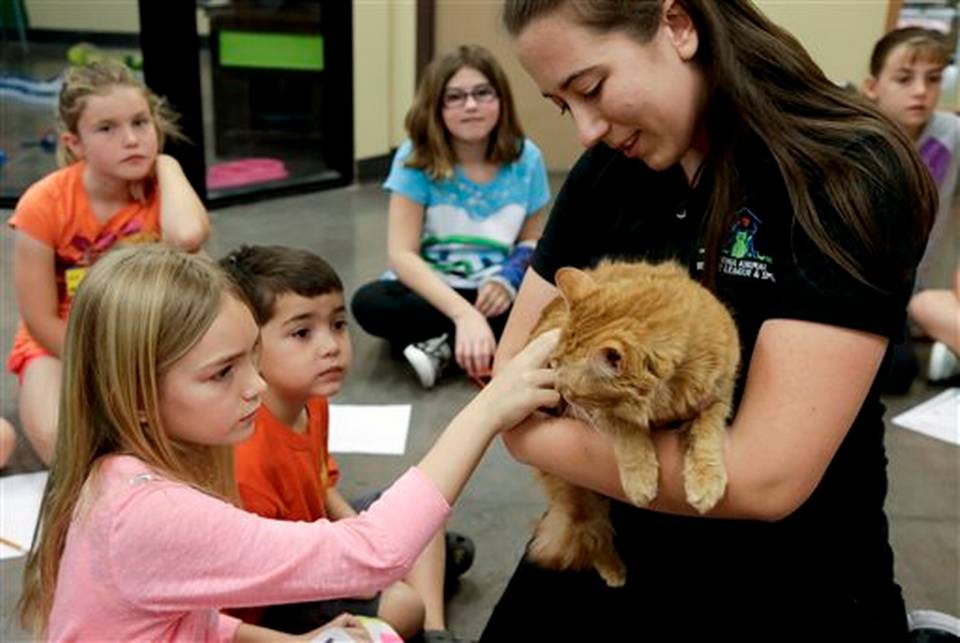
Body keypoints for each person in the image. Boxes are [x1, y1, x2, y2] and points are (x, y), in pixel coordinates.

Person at [481, 1, 937, 639]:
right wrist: (517, 421)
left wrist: (531, 431)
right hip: (615, 538)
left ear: (678, 24)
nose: (586, 129)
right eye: (564, 105)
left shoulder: (845, 172)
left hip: (790, 575)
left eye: (592, 88)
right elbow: (510, 380)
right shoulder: (608, 171)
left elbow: (763, 479)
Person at [16, 244, 559, 641]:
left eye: (252, 357)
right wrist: (488, 408)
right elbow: (374, 553)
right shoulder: (148, 513)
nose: (256, 385)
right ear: (136, 395)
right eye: (222, 372)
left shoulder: (122, 475)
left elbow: (192, 619)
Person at [221, 244, 475, 643]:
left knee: (422, 502)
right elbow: (259, 578)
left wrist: (363, 541)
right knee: (402, 605)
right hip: (275, 594)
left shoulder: (312, 400)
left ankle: (435, 631)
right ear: (249, 348)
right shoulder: (246, 457)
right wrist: (360, 568)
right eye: (302, 333)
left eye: (338, 325)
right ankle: (421, 584)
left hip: (314, 539)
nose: (331, 346)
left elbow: (322, 487)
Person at [6, 59, 209, 465]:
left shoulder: (165, 188)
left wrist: (167, 164)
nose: (131, 140)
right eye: (107, 129)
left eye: (141, 123)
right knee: (63, 447)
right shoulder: (43, 204)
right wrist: (106, 365)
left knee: (194, 438)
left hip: (148, 333)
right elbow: (39, 319)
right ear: (74, 143)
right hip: (64, 339)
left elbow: (188, 237)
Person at [351, 44, 551, 389]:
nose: (471, 105)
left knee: (556, 304)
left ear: (501, 99)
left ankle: (439, 347)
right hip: (432, 287)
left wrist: (507, 279)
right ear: (436, 106)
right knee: (370, 304)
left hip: (494, 288)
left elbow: (532, 240)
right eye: (455, 97)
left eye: (482, 93)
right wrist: (464, 314)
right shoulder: (415, 157)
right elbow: (402, 255)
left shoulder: (527, 158)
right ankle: (479, 341)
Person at [864, 27, 960, 385]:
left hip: (915, 291)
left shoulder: (951, 133)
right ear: (872, 87)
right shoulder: (857, 138)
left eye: (933, 79)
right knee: (896, 372)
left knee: (924, 307)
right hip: (863, 292)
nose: (921, 91)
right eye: (904, 79)